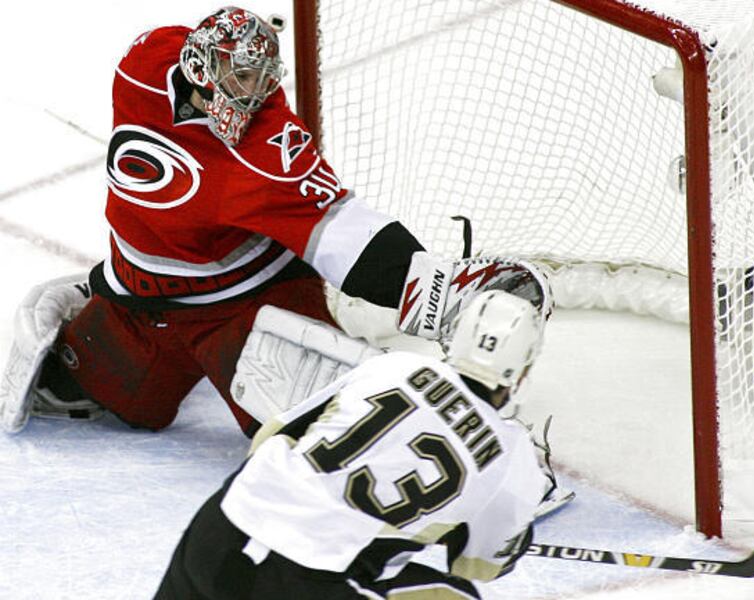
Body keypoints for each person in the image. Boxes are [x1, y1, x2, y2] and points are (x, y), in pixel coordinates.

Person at [0, 7, 550, 436]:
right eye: (237, 78)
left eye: (259, 80)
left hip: (248, 304)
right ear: (195, 68)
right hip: (144, 301)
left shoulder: (266, 146)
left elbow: (341, 228)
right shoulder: (143, 65)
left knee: (324, 436)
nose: (253, 94)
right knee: (115, 404)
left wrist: (435, 290)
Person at [154, 290, 555, 599]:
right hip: (311, 582)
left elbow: (268, 438)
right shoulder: (513, 455)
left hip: (219, 529)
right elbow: (478, 566)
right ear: (520, 371)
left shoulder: (395, 365)